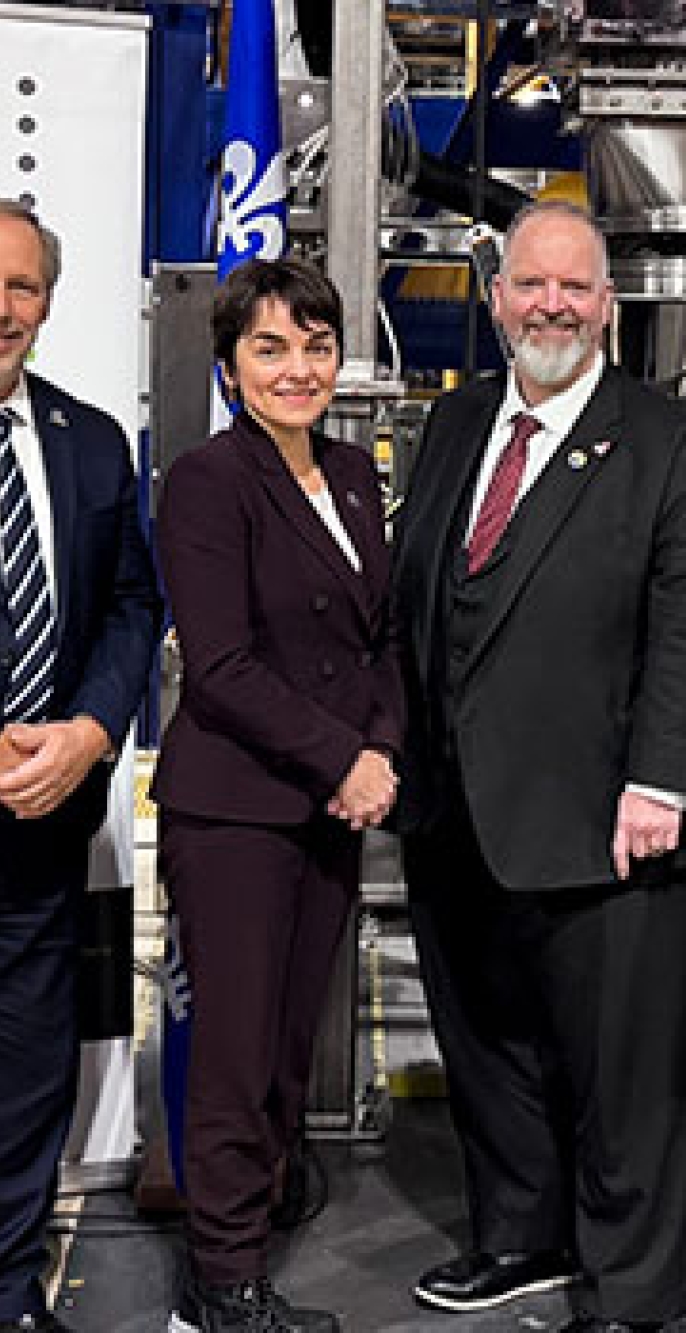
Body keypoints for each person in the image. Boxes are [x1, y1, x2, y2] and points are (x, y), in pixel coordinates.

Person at [392, 200, 686, 1333]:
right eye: (532, 285)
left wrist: (661, 782)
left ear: (608, 306)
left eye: (576, 289)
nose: (552, 305)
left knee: (625, 1079)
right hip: (460, 810)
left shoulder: (670, 439)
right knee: (490, 1048)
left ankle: (630, 1292)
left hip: (614, 818)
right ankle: (521, 1236)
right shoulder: (454, 428)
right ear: (496, 298)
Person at [151, 258, 404, 1333]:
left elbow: (379, 637)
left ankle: (251, 1224)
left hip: (328, 808)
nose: (297, 368)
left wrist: (380, 750)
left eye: (313, 345)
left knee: (292, 1040)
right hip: (238, 810)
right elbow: (221, 665)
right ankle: (225, 1281)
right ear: (228, 366)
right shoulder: (209, 482)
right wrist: (343, 758)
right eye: (270, 347)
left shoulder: (350, 471)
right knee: (237, 1051)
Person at [0, 199, 162, 1333]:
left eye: (19, 285)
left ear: (48, 303)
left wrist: (94, 731)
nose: (0, 307)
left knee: (26, 1074)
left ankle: (9, 1286)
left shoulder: (91, 440)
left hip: (43, 814)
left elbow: (129, 603)